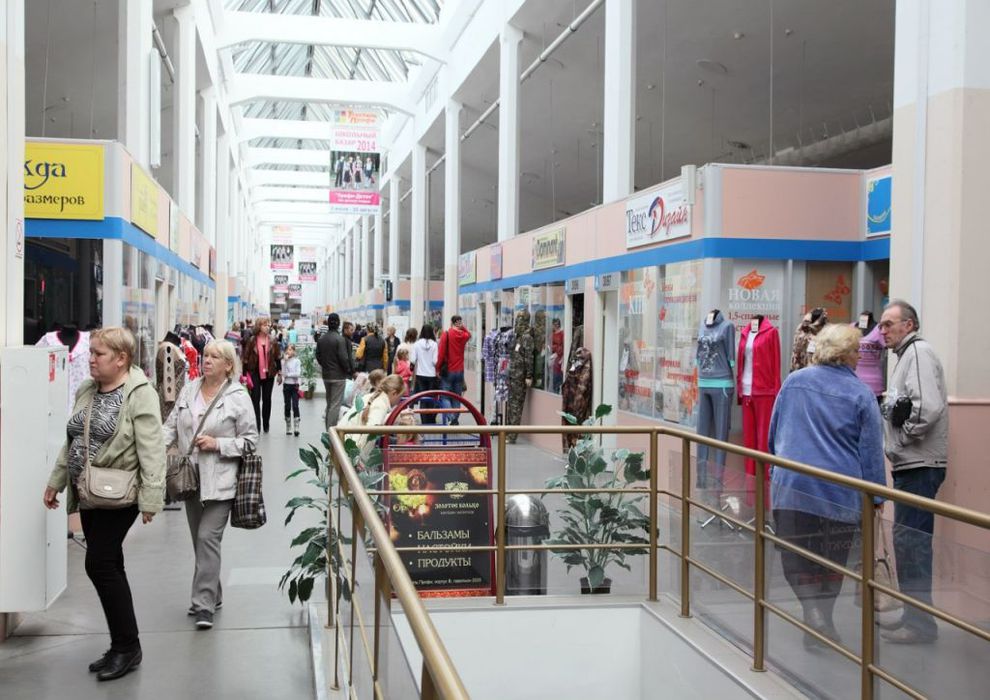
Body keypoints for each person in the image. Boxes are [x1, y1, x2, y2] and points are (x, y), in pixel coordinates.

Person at [43, 327, 166, 681]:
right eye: (92, 352)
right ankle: (123, 645)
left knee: (98, 564)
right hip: (88, 492)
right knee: (110, 563)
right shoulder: (88, 389)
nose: (91, 359)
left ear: (121, 359)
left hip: (120, 495)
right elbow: (72, 440)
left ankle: (127, 646)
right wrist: (56, 481)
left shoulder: (139, 394)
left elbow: (152, 448)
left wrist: (151, 498)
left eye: (99, 354)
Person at [768, 324, 885, 650]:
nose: (859, 356)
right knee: (831, 561)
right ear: (846, 354)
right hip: (839, 492)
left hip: (793, 485)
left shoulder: (794, 382)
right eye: (856, 350)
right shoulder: (861, 394)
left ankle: (814, 616)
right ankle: (820, 619)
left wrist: (776, 469)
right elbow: (870, 452)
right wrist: (877, 495)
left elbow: (774, 434)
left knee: (795, 555)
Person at [163, 339, 258, 631]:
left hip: (222, 480)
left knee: (207, 538)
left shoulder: (238, 396)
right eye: (206, 355)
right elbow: (170, 426)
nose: (207, 360)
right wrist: (152, 450)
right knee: (199, 541)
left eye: (215, 357)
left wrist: (218, 444)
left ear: (228, 365)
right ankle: (213, 593)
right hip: (190, 477)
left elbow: (250, 441)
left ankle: (203, 604)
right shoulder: (189, 389)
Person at [878, 300, 948, 644]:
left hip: (920, 464)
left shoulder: (918, 353)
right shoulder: (905, 356)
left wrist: (902, 440)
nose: (883, 330)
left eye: (889, 324)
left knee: (913, 544)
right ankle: (913, 615)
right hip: (912, 463)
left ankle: (920, 625)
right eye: (882, 325)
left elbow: (926, 409)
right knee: (907, 543)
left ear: (909, 325)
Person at [340, 374, 405, 450]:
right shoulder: (381, 405)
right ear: (394, 393)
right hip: (349, 448)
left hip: (341, 440)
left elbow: (375, 419)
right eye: (400, 397)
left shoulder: (372, 398)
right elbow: (370, 434)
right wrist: (362, 456)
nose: (398, 400)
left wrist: (398, 415)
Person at [241, 317, 282, 433]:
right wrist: (244, 376)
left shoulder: (273, 340)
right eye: (265, 325)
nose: (267, 327)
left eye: (268, 325)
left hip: (269, 374)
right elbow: (245, 358)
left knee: (267, 399)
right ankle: (257, 425)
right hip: (254, 373)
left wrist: (280, 372)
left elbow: (277, 357)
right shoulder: (252, 340)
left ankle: (266, 423)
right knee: (255, 399)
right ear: (259, 326)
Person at [315, 313, 353, 428]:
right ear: (338, 324)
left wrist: (325, 365)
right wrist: (347, 370)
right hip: (338, 376)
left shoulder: (321, 339)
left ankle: (328, 428)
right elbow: (344, 358)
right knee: (335, 404)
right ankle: (331, 431)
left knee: (330, 402)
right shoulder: (340, 339)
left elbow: (318, 356)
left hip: (326, 375)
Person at [437, 315, 472, 425]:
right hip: (460, 371)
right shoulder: (464, 335)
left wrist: (437, 368)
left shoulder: (446, 334)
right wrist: (462, 327)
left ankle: (451, 417)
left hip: (448, 370)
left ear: (451, 323)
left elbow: (441, 354)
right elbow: (469, 334)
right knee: (457, 397)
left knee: (445, 396)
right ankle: (455, 419)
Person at [411, 324, 440, 424]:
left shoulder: (417, 344)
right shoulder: (434, 344)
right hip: (431, 375)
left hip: (420, 375)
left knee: (422, 398)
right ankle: (430, 420)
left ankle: (424, 421)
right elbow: (435, 361)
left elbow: (413, 360)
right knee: (431, 398)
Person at [282, 344, 302, 436]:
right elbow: (284, 373)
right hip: (286, 385)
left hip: (295, 386)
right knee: (287, 406)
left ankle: (296, 426)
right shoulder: (283, 361)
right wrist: (285, 362)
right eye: (288, 349)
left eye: (291, 350)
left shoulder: (297, 361)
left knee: (295, 405)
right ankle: (288, 426)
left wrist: (289, 375)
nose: (289, 351)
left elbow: (298, 373)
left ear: (294, 351)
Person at [550, 318, 565, 393]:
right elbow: (549, 344)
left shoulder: (562, 334)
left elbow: (563, 346)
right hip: (552, 358)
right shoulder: (552, 334)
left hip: (559, 359)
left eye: (554, 324)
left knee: (557, 377)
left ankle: (557, 390)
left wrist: (558, 353)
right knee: (553, 377)